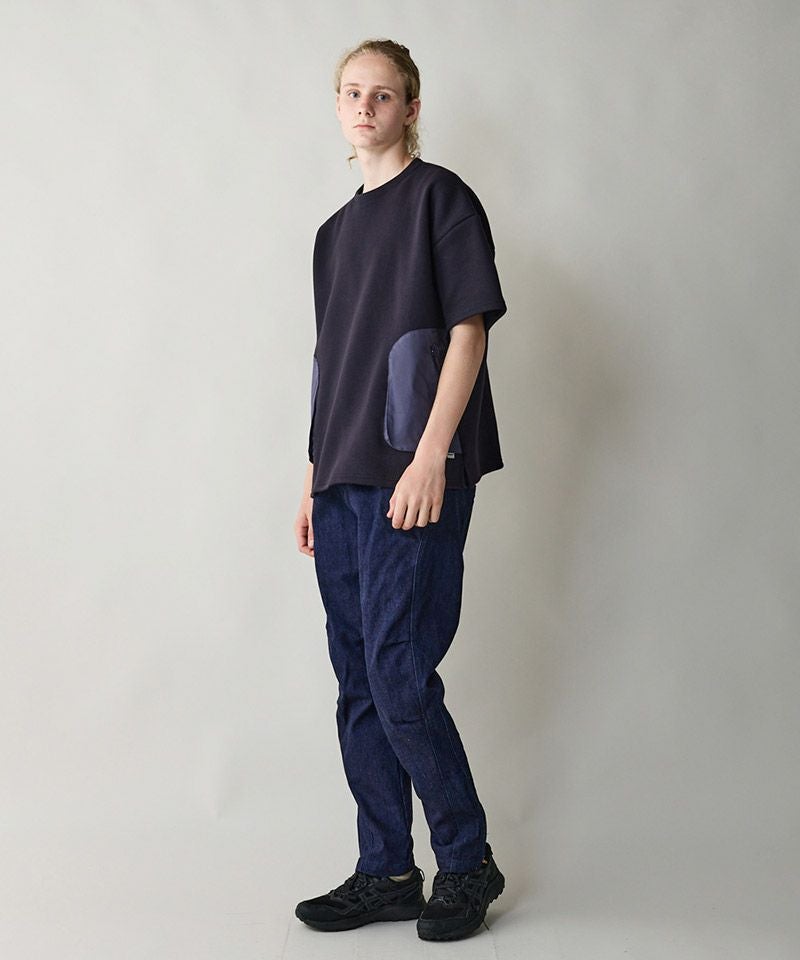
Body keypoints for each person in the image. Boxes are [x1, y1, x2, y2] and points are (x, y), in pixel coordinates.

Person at [292, 38, 507, 942]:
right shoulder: (332, 235)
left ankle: (466, 861)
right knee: (357, 682)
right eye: (352, 92)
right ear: (338, 105)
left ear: (411, 108)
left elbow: (469, 331)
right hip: (341, 478)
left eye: (382, 94)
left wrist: (431, 455)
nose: (364, 107)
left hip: (412, 473)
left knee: (398, 671)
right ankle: (385, 869)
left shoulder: (441, 200)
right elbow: (331, 362)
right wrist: (311, 476)